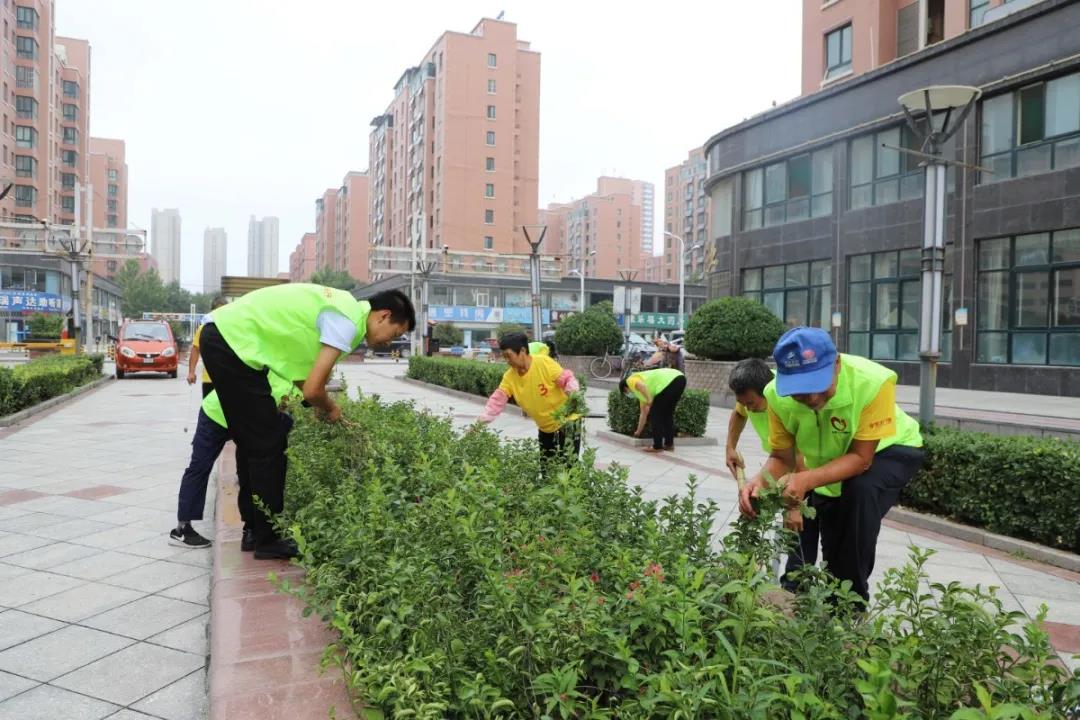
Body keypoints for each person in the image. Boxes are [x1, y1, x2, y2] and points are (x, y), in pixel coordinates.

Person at [199, 285, 415, 559]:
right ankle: (268, 539)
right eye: (395, 334)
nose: (390, 342)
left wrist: (319, 405)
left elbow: (306, 381)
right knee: (269, 442)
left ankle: (254, 531)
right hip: (230, 342)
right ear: (383, 316)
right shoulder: (347, 320)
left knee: (254, 442)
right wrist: (331, 407)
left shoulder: (343, 310)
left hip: (225, 338)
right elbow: (314, 389)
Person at [738, 327, 924, 605]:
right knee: (832, 535)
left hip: (891, 449)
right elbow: (782, 458)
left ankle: (853, 606)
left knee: (859, 497)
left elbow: (862, 459)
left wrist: (805, 481)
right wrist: (758, 482)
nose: (813, 399)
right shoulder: (775, 396)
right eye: (801, 391)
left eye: (819, 385)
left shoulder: (873, 382)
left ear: (836, 363)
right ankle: (834, 604)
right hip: (829, 462)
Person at [170, 373, 299, 550]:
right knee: (199, 467)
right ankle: (182, 529)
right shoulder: (283, 381)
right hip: (215, 415)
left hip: (242, 419)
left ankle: (250, 531)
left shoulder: (288, 378)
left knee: (248, 468)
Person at [726, 358, 818, 592]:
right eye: (743, 403)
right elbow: (738, 415)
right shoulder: (751, 396)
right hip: (781, 460)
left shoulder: (788, 401)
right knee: (755, 506)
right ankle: (748, 572)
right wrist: (730, 447)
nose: (747, 408)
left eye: (751, 403)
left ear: (767, 392)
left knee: (800, 524)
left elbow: (800, 461)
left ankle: (795, 587)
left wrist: (794, 506)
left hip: (811, 466)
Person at [478, 331, 582, 472]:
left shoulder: (543, 363)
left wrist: (573, 393)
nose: (507, 361)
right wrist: (479, 423)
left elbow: (567, 379)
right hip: (545, 427)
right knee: (547, 469)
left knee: (569, 468)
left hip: (568, 422)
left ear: (522, 351)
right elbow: (497, 400)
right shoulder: (510, 377)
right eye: (504, 357)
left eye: (509, 356)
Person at [619, 367, 687, 453]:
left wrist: (650, 400)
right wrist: (638, 432)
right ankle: (669, 444)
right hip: (680, 379)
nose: (628, 394)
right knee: (667, 414)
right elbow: (643, 414)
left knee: (655, 415)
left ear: (625, 388)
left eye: (626, 392)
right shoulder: (641, 395)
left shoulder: (630, 380)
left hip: (670, 381)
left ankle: (657, 446)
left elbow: (641, 385)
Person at [187, 296, 228, 398]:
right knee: (208, 410)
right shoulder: (204, 329)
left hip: (229, 378)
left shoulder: (232, 329)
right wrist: (191, 372)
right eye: (218, 310)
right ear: (212, 312)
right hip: (209, 379)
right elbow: (196, 349)